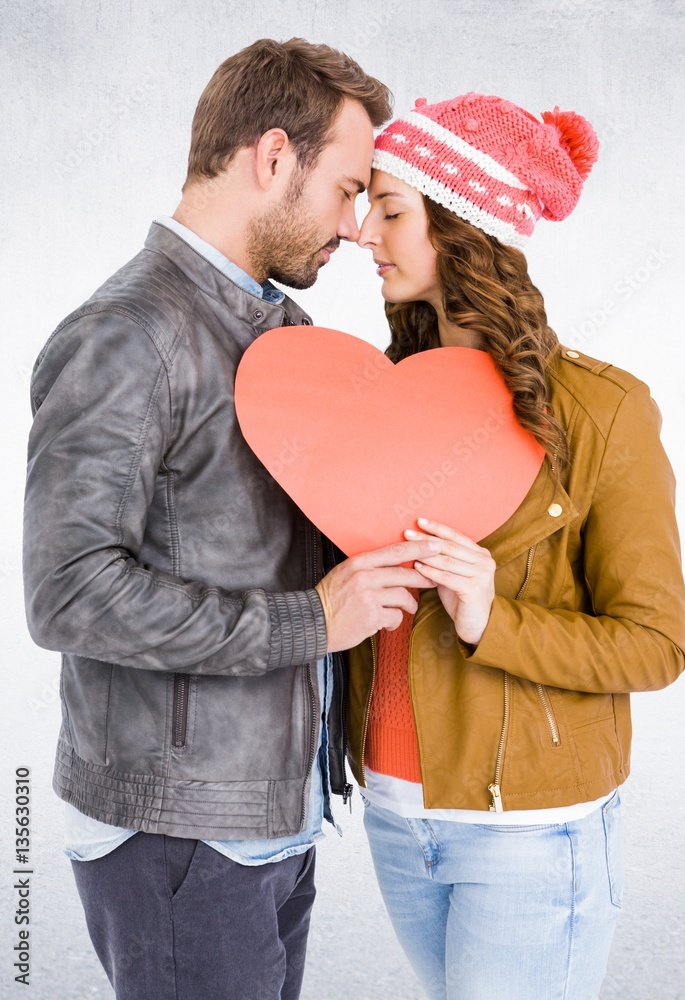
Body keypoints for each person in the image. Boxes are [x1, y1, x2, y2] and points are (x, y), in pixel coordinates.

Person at [22, 38, 441, 1000]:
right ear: (270, 157)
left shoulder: (280, 334)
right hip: (179, 832)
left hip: (269, 815)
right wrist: (310, 622)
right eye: (344, 189)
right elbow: (66, 591)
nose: (351, 226)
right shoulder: (128, 333)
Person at [342, 92, 685, 999]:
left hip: (529, 834)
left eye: (389, 210)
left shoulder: (602, 412)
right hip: (393, 814)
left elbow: (655, 646)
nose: (361, 234)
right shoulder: (380, 399)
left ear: (462, 227)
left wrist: (493, 615)